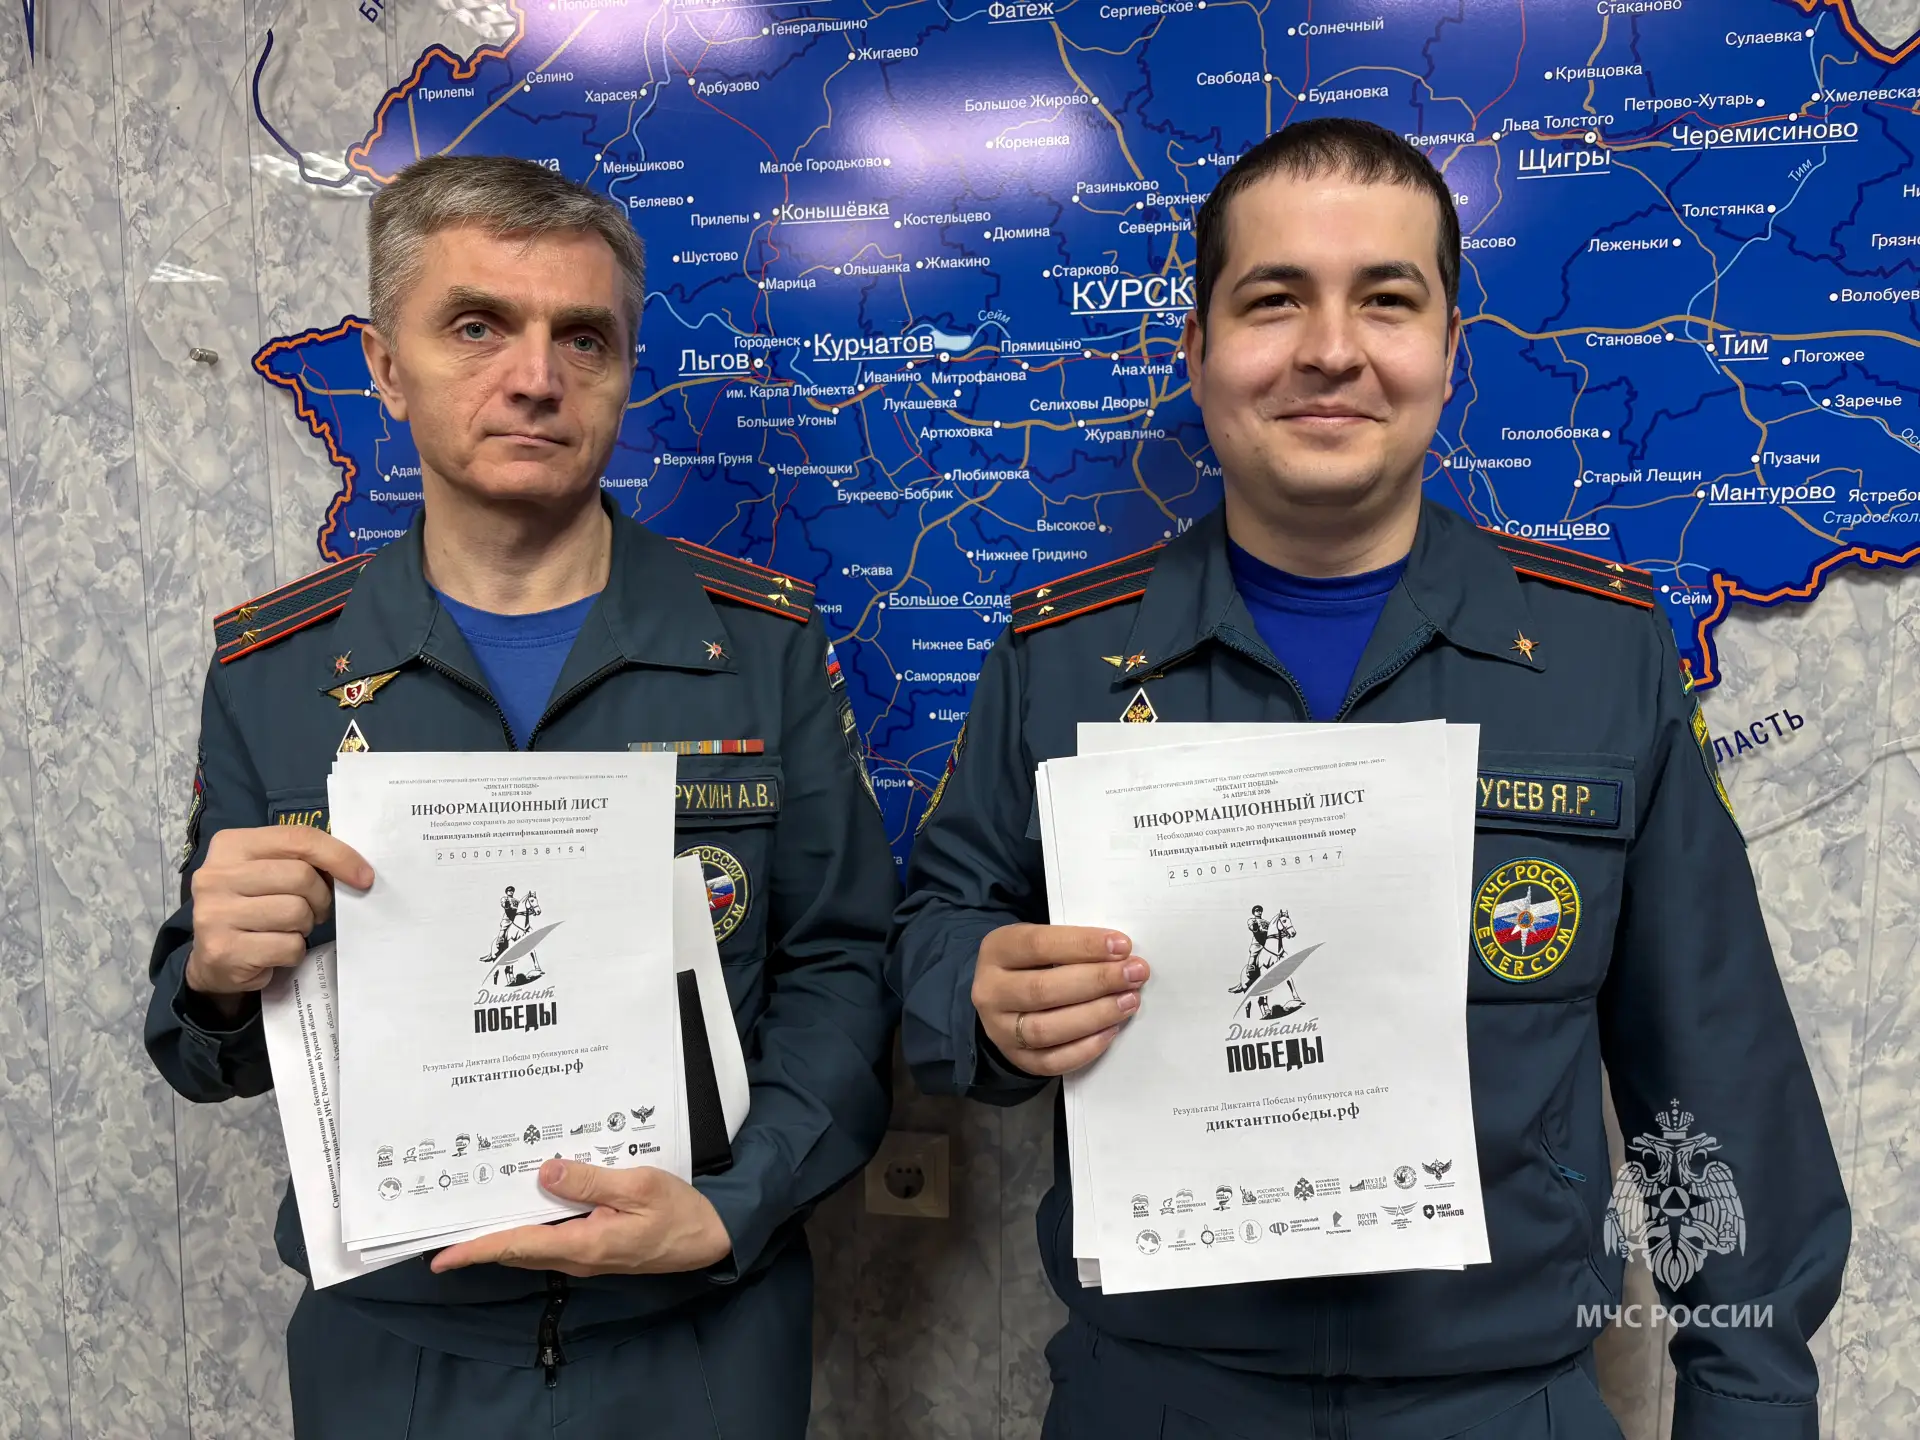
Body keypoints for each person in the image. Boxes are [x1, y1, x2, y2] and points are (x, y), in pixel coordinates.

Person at [890, 118, 1848, 1439]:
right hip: (1156, 1399)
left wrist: (1747, 1408)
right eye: (1274, 300)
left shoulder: (1601, 656)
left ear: (1451, 352)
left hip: (1502, 1405)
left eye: (1386, 301)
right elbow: (933, 929)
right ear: (1198, 352)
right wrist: (980, 996)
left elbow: (1720, 1082)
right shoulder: (1060, 660)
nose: (1331, 349)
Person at [146, 155, 898, 1437]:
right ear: (385, 367)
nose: (537, 376)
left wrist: (735, 1203)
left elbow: (845, 965)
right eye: (477, 326)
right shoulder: (273, 673)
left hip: (698, 1333)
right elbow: (199, 1043)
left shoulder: (761, 647)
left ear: (623, 371)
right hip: (399, 1348)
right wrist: (214, 979)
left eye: (583, 338)